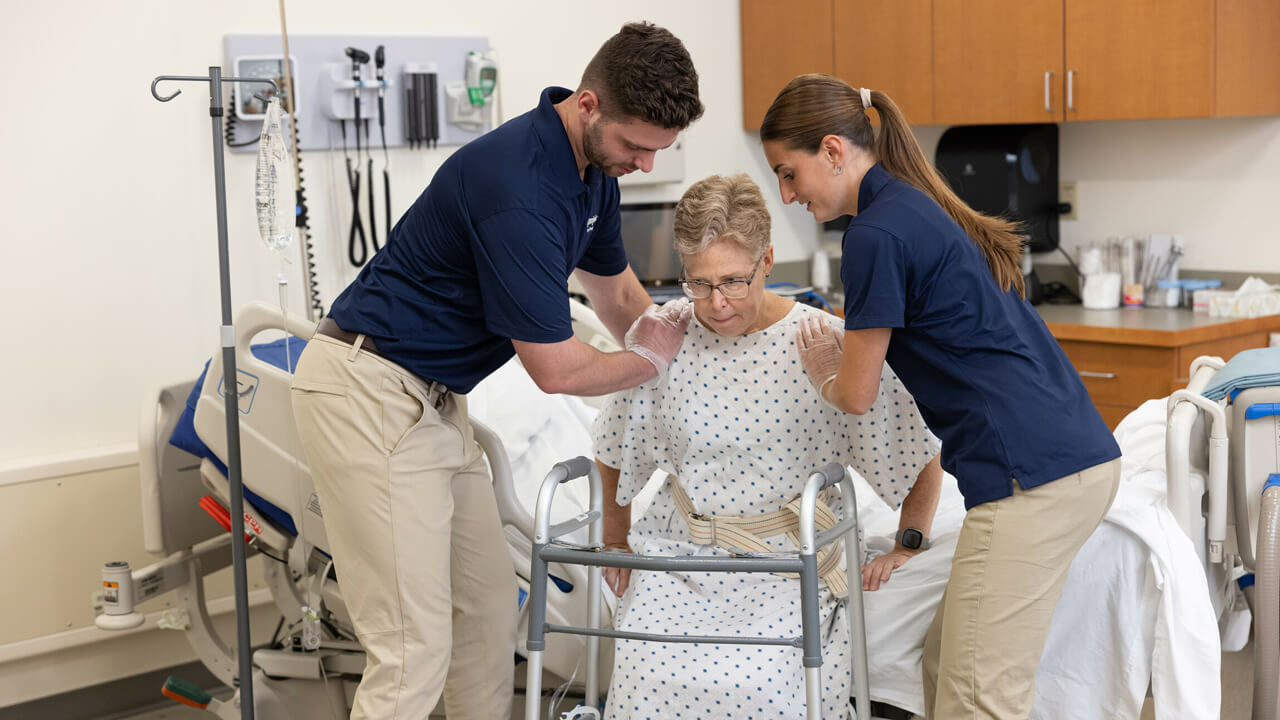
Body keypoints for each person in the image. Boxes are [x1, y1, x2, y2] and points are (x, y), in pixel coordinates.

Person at [289, 23, 703, 720]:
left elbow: (624, 301)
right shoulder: (519, 186)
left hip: (436, 403)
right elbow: (557, 369)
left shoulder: (594, 178)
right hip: (367, 392)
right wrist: (646, 362)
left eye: (657, 151)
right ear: (590, 104)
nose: (641, 163)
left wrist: (704, 350)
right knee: (411, 645)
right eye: (635, 146)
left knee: (484, 616)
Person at [759, 73, 1123, 719]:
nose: (787, 194)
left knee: (979, 697)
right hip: (1071, 460)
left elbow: (855, 395)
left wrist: (822, 368)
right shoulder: (913, 207)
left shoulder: (874, 235)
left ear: (835, 152)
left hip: (1031, 479)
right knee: (944, 664)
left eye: (790, 173)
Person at [593, 173, 943, 719]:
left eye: (733, 280)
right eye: (699, 283)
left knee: (763, 690)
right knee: (645, 677)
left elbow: (915, 449)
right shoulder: (665, 334)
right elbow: (615, 445)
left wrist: (909, 541)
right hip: (680, 556)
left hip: (786, 564)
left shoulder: (823, 341)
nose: (717, 303)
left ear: (769, 261)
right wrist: (615, 543)